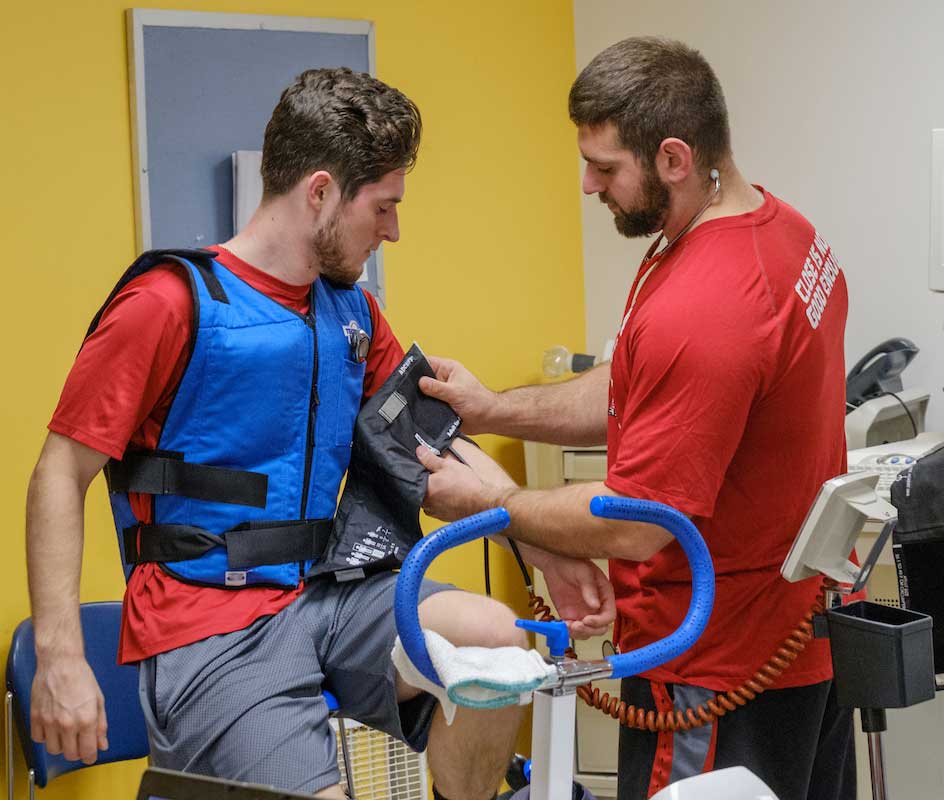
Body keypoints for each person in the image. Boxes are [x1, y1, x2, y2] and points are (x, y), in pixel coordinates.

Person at [25, 67, 613, 800]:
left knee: (494, 642)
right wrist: (60, 656)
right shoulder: (168, 304)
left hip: (329, 596)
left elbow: (427, 446)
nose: (394, 229)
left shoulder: (351, 313)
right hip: (209, 623)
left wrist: (536, 544)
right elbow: (59, 471)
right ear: (321, 192)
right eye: (384, 207)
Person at [414, 37, 855, 800]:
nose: (589, 185)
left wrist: (492, 506)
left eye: (606, 167)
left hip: (712, 665)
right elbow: (633, 386)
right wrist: (495, 411)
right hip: (791, 643)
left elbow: (640, 524)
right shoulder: (783, 236)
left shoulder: (706, 306)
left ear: (676, 158)